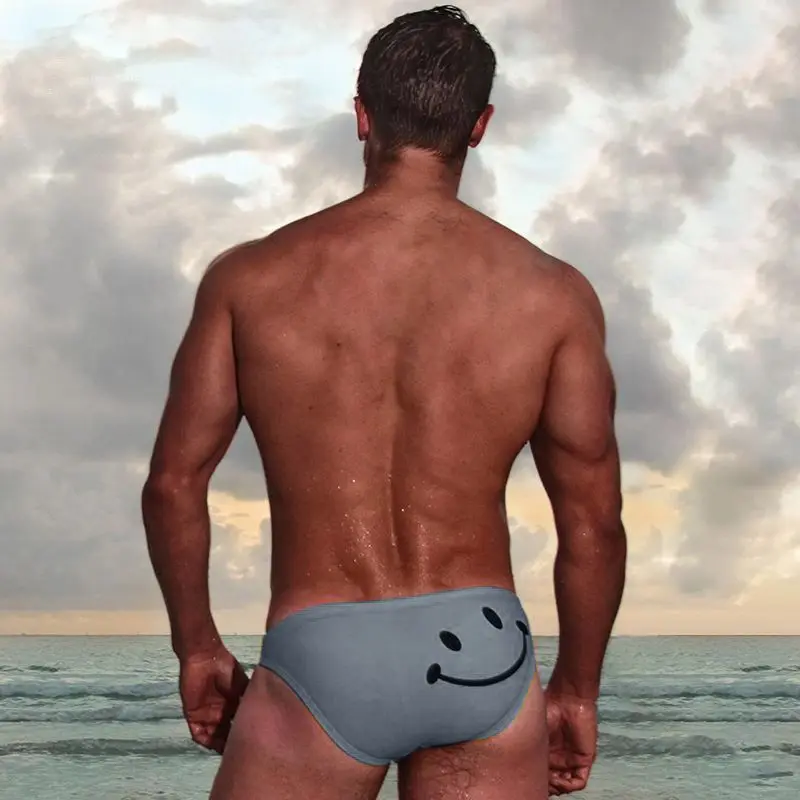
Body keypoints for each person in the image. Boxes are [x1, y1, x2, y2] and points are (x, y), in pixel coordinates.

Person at [142, 6, 627, 799]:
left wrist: (196, 646)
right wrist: (576, 689)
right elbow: (594, 523)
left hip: (322, 648)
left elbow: (173, 484)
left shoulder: (248, 280)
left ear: (362, 115)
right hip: (485, 651)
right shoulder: (555, 297)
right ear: (480, 126)